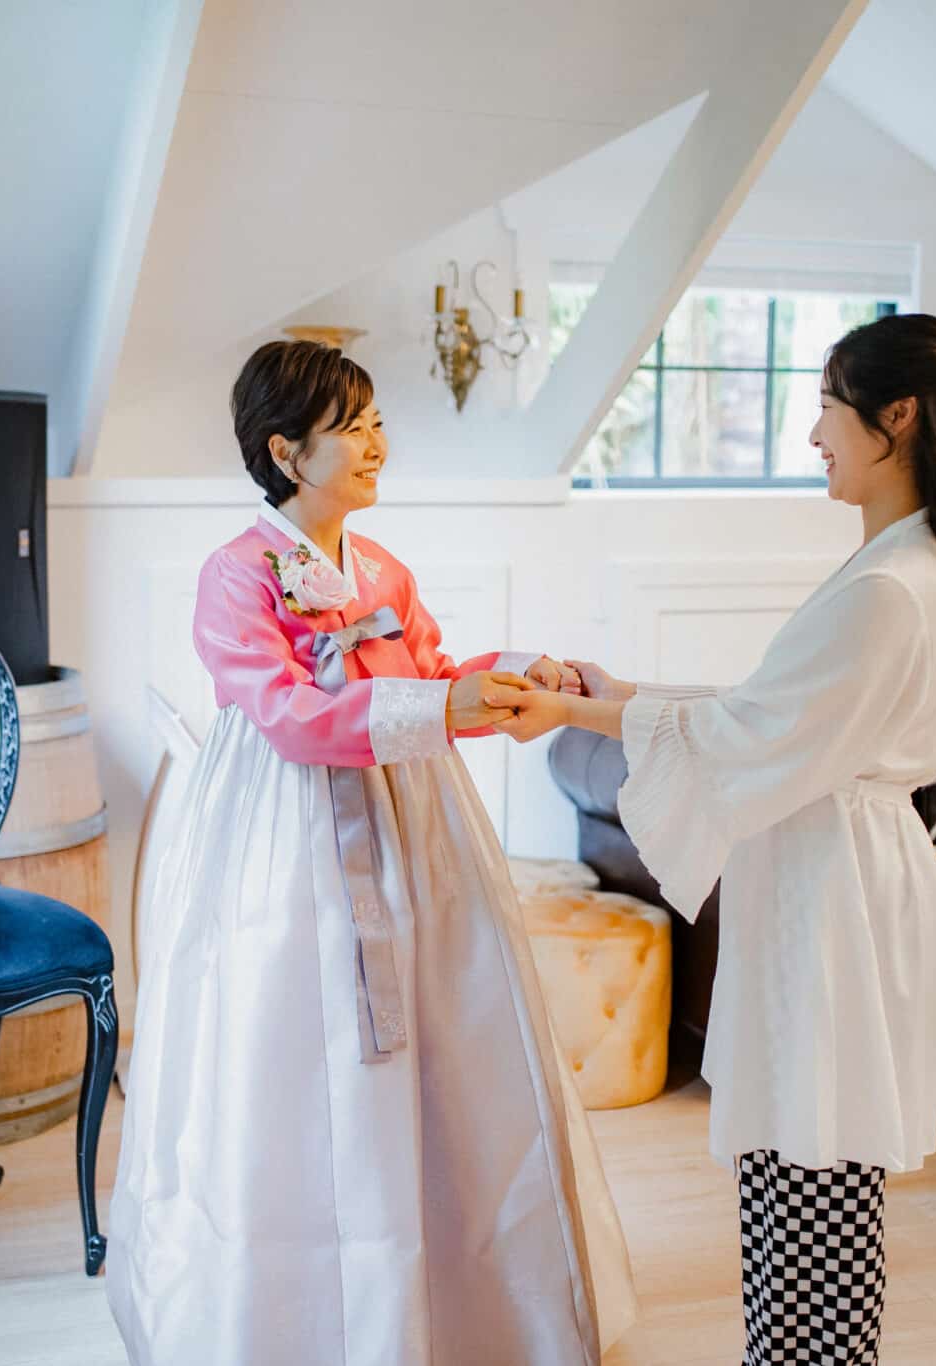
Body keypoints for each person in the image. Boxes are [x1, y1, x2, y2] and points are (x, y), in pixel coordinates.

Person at [494, 313, 936, 1365]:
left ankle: (807, 1356)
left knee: (811, 1147)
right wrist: (623, 694)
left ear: (896, 416)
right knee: (801, 1145)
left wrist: (578, 713)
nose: (813, 434)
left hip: (829, 887)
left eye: (827, 405)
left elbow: (755, 729)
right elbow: (777, 708)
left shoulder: (889, 583)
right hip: (831, 865)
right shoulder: (905, 564)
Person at [107, 340, 636, 1365]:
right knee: (296, 1057)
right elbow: (288, 716)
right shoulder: (235, 576)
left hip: (408, 823)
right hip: (284, 829)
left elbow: (434, 672)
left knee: (442, 1041)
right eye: (350, 426)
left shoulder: (384, 568)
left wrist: (522, 671)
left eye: (374, 421)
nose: (375, 443)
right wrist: (443, 699)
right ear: (283, 450)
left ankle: (448, 1304)